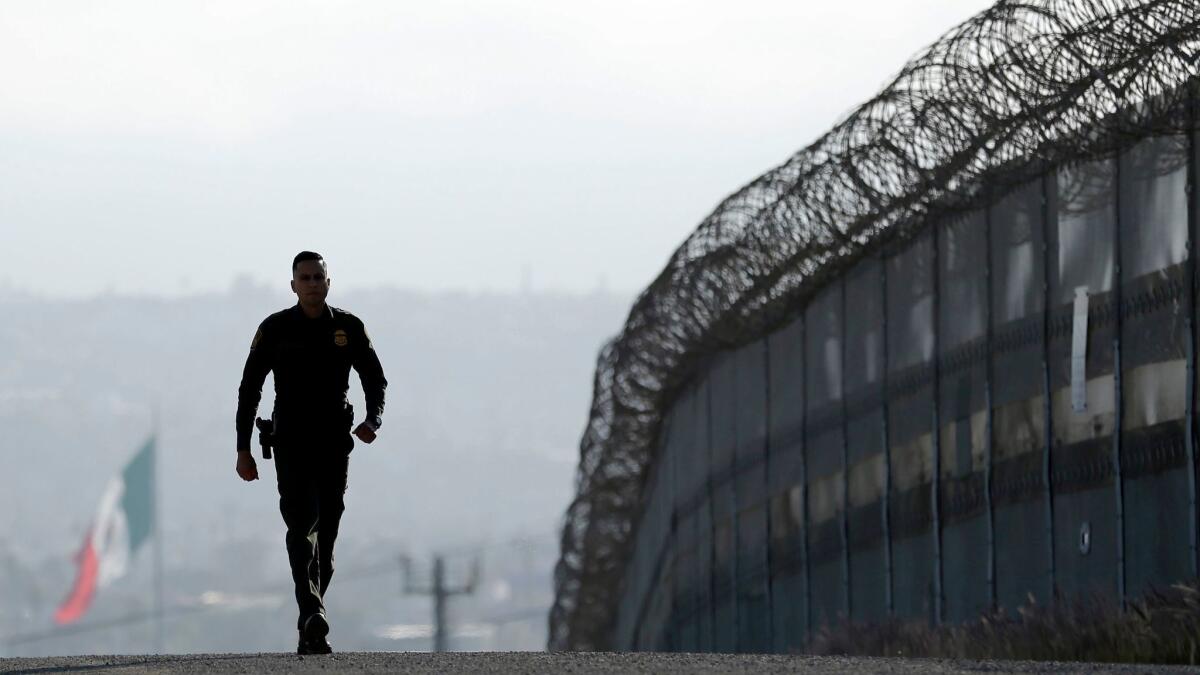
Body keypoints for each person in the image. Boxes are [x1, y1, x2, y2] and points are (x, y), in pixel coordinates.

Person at [235, 250, 387, 655]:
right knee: (302, 527)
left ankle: (309, 623)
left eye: (318, 277)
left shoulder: (348, 328)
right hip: (291, 443)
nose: (312, 284)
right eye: (305, 278)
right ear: (293, 285)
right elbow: (250, 389)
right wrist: (242, 450)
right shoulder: (276, 329)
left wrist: (373, 421)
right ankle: (313, 612)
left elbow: (374, 378)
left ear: (328, 282)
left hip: (334, 443)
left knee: (328, 540)